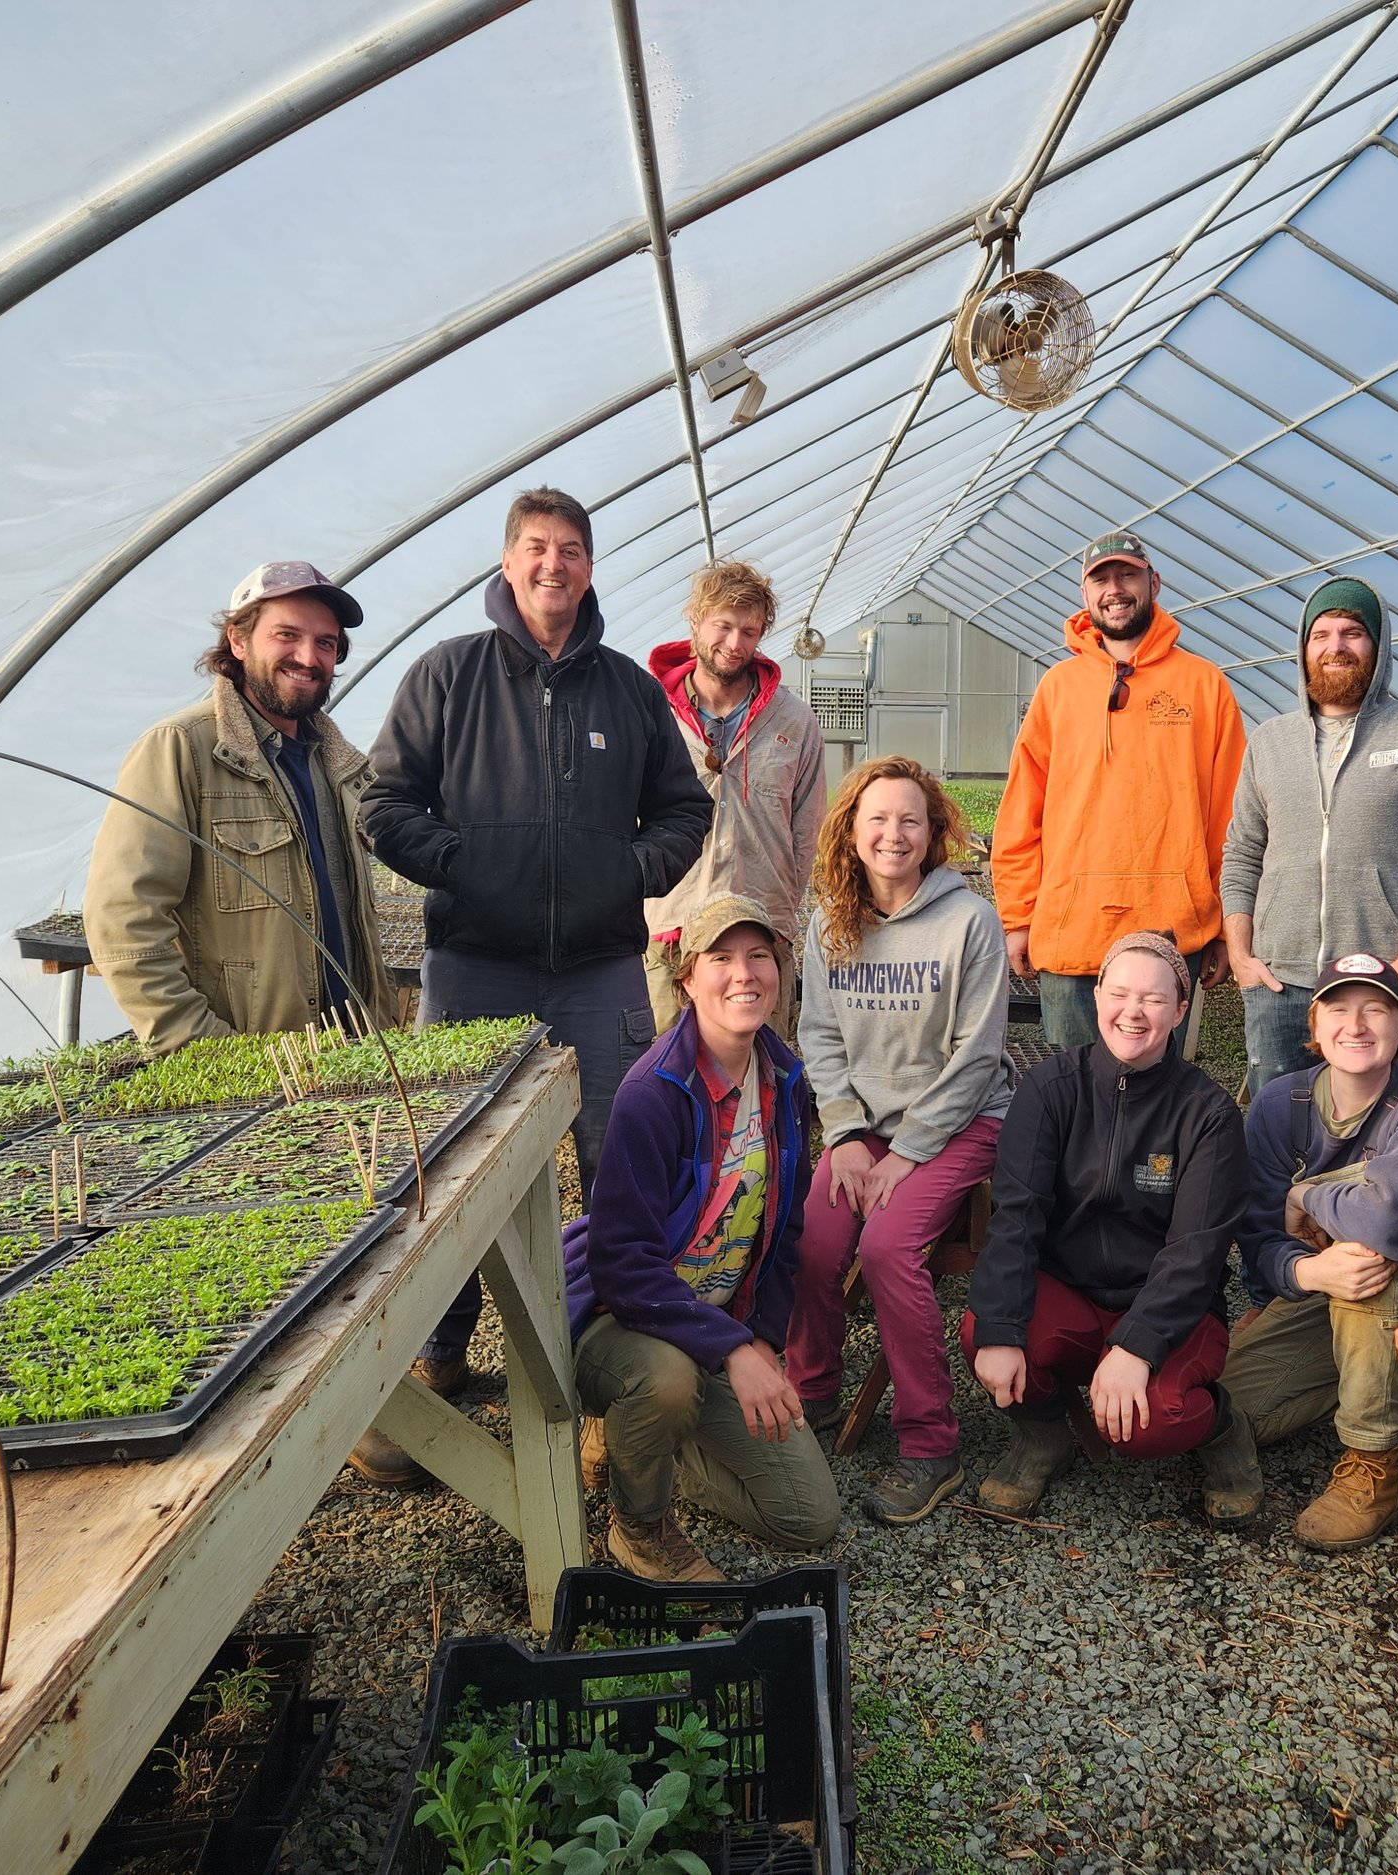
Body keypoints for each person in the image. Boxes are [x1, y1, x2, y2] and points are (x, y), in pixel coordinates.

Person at [354, 488, 711, 1484]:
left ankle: (607, 1370)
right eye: (536, 549)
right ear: (509, 564)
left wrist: (629, 873)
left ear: (590, 568)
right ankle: (441, 1355)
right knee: (456, 1167)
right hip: (475, 965)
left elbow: (683, 811)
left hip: (600, 967)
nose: (553, 565)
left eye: (570, 551)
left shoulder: (629, 692)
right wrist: (463, 863)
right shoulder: (449, 675)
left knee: (617, 1156)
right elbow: (384, 803)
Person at [562, 894, 840, 1581]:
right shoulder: (650, 1094)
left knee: (807, 1517)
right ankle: (641, 1530)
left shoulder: (785, 1080)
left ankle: (641, 1446)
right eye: (721, 958)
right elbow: (622, 1266)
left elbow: (786, 1229)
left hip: (715, 1325)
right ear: (687, 977)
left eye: (759, 956)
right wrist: (735, 1350)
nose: (744, 974)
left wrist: (766, 1341)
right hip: (618, 1320)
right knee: (665, 1379)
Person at [785, 758, 1012, 1526]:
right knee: (815, 1238)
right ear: (850, 831)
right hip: (868, 1127)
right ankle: (812, 1391)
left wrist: (908, 1151)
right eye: (877, 818)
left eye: (910, 819)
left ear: (935, 832)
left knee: (885, 1247)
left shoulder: (968, 921)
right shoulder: (829, 922)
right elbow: (818, 1035)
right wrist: (845, 1134)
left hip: (964, 1119)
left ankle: (931, 1443)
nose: (893, 834)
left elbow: (978, 1058)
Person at [961, 931, 1254, 1518]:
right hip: (1070, 1293)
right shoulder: (1049, 1089)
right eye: (1120, 993)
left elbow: (1195, 1254)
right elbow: (1017, 1216)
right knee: (984, 1332)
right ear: (1097, 997)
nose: (1133, 1012)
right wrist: (1001, 1326)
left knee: (1150, 1425)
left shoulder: (1209, 1115)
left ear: (1180, 1008)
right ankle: (1044, 1436)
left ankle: (1223, 1429)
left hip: (1168, 1308)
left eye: (1153, 998)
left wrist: (1137, 1348)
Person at [86, 561, 396, 1047]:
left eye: (326, 643)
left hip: (352, 1056)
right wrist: (208, 1050)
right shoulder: (182, 748)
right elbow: (124, 920)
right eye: (286, 635)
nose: (307, 657)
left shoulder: (334, 766)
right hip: (258, 1068)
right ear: (237, 640)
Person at [1210, 955, 1398, 1544]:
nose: (1357, 1025)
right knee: (1221, 1414)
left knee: (1367, 1260)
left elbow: (1390, 1216)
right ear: (1314, 1029)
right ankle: (1371, 1382)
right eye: (1339, 1010)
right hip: (1320, 1296)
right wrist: (1307, 1271)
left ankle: (1373, 1459)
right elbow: (1259, 1233)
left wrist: (1308, 1192)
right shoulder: (1278, 1105)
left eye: (1377, 1010)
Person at [1221, 574, 1398, 1095]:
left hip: (1381, 982)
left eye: (1352, 632)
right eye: (1321, 635)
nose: (1335, 647)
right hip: (1279, 982)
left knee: (1389, 1133)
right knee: (1279, 1132)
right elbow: (1242, 853)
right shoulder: (1270, 742)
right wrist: (1240, 954)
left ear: (1379, 646)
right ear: (1303, 648)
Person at [993, 532, 1245, 1051]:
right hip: (1073, 930)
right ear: (1085, 594)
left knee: (1157, 1093)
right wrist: (1018, 917)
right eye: (1101, 579)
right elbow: (1023, 811)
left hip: (1172, 930)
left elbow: (1231, 817)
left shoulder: (1205, 685)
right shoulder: (1058, 688)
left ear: (1153, 583)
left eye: (1127, 575)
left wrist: (1224, 923)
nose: (1115, 589)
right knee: (1077, 1091)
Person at [643, 560, 825, 1035]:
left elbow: (806, 830)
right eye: (723, 626)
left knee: (757, 1067)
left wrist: (781, 907)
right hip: (671, 926)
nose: (734, 643)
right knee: (665, 1069)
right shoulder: (652, 711)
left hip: (760, 925)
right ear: (696, 622)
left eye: (749, 631)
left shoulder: (793, 721)